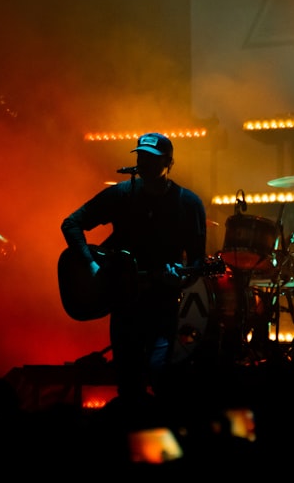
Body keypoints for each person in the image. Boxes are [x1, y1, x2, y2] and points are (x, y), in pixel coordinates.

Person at [60, 132, 208, 412]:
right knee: (129, 384)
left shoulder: (188, 204)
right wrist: (92, 266)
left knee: (161, 375)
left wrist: (182, 276)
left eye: (152, 158)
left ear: (169, 162)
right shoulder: (122, 195)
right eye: (141, 157)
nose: (145, 163)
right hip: (125, 305)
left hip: (163, 305)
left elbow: (198, 262)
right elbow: (71, 224)